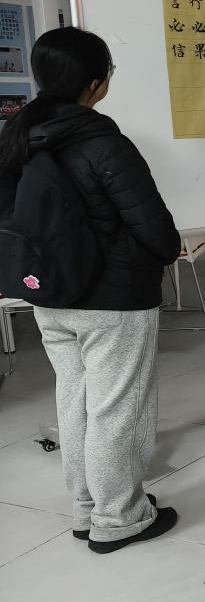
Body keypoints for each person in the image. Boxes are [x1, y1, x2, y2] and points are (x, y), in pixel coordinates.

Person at [0, 27, 181, 553]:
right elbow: (156, 230)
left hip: (49, 295)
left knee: (75, 402)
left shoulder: (18, 138)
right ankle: (120, 517)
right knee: (115, 409)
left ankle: (86, 508)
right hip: (113, 301)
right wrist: (160, 256)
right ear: (96, 83)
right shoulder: (104, 144)